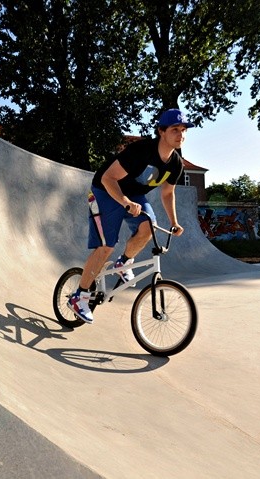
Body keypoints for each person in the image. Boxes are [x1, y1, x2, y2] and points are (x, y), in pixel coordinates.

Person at [67, 109, 192, 323]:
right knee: (107, 245)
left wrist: (174, 222)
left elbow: (168, 192)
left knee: (147, 227)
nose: (181, 134)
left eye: (183, 130)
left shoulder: (176, 163)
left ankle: (122, 263)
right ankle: (80, 296)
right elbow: (108, 178)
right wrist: (124, 202)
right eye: (175, 130)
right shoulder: (142, 150)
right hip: (105, 190)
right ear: (161, 131)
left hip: (133, 195)